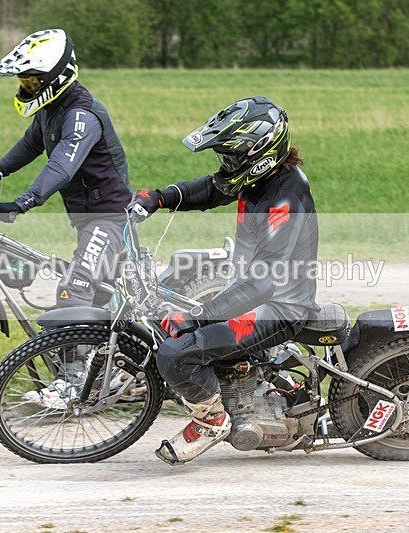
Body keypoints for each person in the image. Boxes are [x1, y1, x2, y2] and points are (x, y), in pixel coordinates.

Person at [129, 96, 319, 465]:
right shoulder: (261, 177)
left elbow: (265, 282)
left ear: (259, 152)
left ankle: (212, 422)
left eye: (232, 157)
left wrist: (200, 315)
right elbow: (213, 189)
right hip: (247, 292)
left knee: (175, 353)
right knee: (165, 319)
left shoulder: (284, 200)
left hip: (279, 306)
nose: (226, 166)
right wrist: (160, 198)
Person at [0, 28, 131, 307]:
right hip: (87, 219)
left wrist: (23, 202)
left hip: (108, 219)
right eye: (24, 82)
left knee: (73, 291)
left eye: (33, 83)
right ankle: (88, 348)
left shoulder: (81, 115)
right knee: (99, 299)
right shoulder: (52, 109)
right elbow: (31, 145)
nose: (27, 89)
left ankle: (76, 350)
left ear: (56, 78)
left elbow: (62, 167)